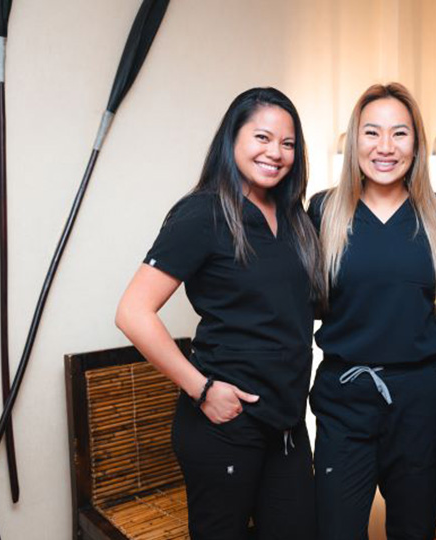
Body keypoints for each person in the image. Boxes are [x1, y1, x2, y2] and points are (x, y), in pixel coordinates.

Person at [115, 87, 322, 540]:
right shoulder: (203, 212)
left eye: (288, 144)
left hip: (286, 424)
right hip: (225, 424)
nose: (276, 153)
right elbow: (133, 312)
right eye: (262, 138)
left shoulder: (294, 219)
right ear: (232, 140)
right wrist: (202, 389)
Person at [307, 82, 436, 540]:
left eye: (400, 133)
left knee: (414, 531)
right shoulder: (324, 210)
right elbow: (294, 299)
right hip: (344, 398)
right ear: (355, 142)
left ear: (417, 143)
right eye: (372, 133)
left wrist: (426, 347)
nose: (385, 147)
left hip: (420, 402)